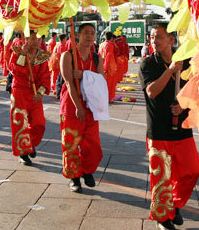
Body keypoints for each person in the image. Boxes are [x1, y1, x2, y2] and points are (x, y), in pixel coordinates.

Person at [141, 23, 199, 230]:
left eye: (158, 37)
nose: (154, 41)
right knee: (162, 178)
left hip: (182, 128)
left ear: (171, 40)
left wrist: (184, 106)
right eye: (151, 37)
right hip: (158, 130)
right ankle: (163, 217)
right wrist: (170, 70)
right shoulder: (148, 63)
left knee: (192, 171)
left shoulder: (187, 62)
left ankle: (174, 204)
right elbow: (152, 91)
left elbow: (197, 91)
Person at [59, 23, 104, 192]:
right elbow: (69, 83)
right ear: (77, 35)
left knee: (93, 145)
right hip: (72, 105)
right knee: (71, 142)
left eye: (92, 33)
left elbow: (102, 80)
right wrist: (78, 106)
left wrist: (85, 74)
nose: (90, 36)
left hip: (91, 105)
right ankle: (74, 177)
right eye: (86, 33)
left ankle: (87, 170)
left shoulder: (97, 58)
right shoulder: (68, 56)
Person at [10, 31, 51, 165]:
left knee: (39, 123)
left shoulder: (43, 56)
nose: (37, 41)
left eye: (39, 38)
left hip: (34, 95)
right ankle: (23, 153)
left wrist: (40, 92)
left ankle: (30, 143)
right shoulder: (17, 51)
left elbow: (45, 76)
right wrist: (22, 55)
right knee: (20, 123)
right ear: (26, 38)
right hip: (20, 92)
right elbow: (15, 70)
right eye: (33, 38)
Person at [99, 31, 119, 103]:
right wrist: (106, 67)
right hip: (109, 67)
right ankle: (109, 98)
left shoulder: (101, 44)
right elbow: (109, 56)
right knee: (110, 84)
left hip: (102, 65)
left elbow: (99, 55)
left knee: (104, 83)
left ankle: (103, 97)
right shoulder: (110, 45)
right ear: (111, 38)